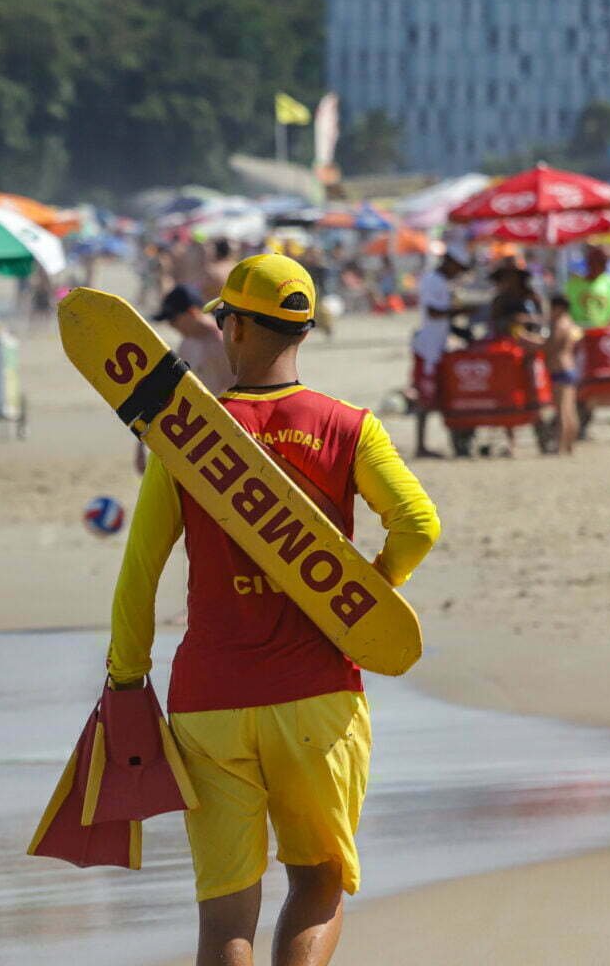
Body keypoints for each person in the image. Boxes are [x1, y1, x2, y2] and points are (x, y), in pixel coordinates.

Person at [109, 254, 439, 966]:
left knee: (226, 908)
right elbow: (417, 523)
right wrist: (359, 600)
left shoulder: (185, 438)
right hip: (317, 695)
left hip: (209, 702)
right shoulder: (348, 427)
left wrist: (127, 679)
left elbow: (139, 575)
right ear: (306, 331)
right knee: (317, 884)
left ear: (230, 330)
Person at [138, 285, 234, 473]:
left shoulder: (224, 342)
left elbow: (237, 394)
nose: (171, 325)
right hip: (194, 436)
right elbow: (173, 393)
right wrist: (142, 441)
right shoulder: (187, 343)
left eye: (173, 319)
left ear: (191, 312)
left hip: (223, 436)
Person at [410, 251, 471, 458]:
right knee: (424, 399)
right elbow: (433, 313)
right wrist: (462, 311)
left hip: (437, 348)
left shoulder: (441, 282)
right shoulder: (432, 281)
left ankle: (433, 444)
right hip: (427, 349)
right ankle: (420, 446)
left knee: (437, 396)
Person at [544, 296, 583, 455]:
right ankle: (570, 445)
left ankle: (560, 445)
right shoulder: (570, 323)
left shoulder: (559, 324)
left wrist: (528, 341)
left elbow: (550, 347)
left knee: (561, 411)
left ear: (558, 308)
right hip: (570, 368)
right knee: (570, 410)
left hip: (560, 369)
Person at [564, 246, 610, 329]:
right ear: (589, 262)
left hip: (601, 332)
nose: (601, 266)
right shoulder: (574, 284)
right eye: (597, 262)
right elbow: (564, 310)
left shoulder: (609, 282)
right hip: (577, 331)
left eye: (603, 263)